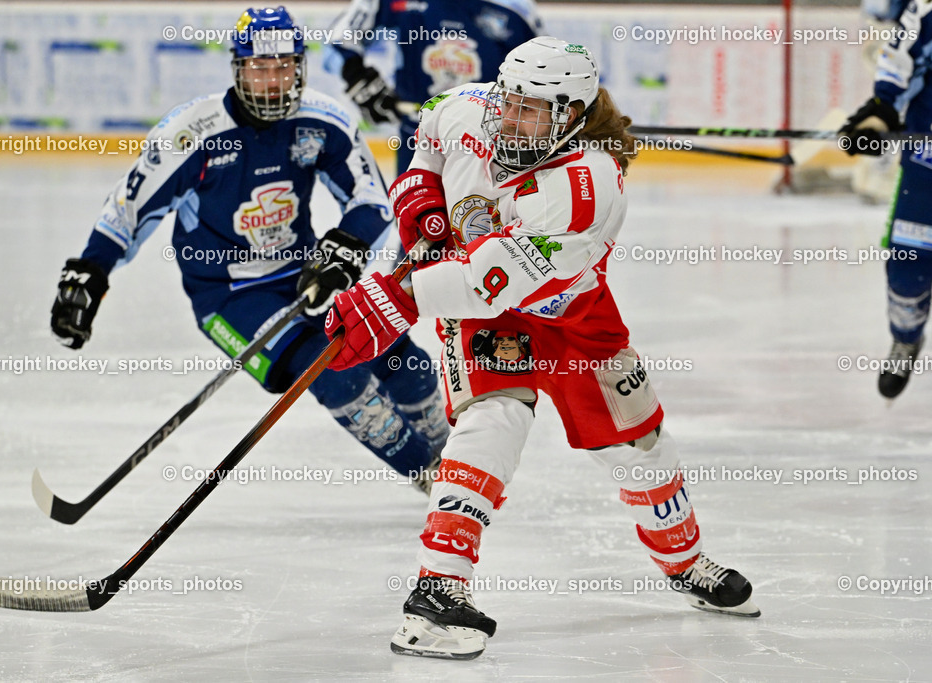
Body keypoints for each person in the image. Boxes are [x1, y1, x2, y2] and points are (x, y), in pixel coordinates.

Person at [324, 36, 760, 659]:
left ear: (572, 116)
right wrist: (421, 202)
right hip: (484, 310)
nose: (511, 119)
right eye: (510, 102)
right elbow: (428, 140)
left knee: (641, 449)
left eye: (532, 111)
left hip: (568, 315)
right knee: (493, 419)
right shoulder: (466, 107)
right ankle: (438, 590)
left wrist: (393, 299)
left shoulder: (589, 185)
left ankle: (685, 561)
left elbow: (487, 282)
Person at [49, 6, 448, 490]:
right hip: (230, 296)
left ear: (300, 67)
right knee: (337, 375)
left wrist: (346, 247)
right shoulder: (192, 134)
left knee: (405, 362)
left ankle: (453, 457)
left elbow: (372, 201)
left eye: (284, 67)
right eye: (260, 68)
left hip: (307, 275)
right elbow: (128, 210)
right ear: (238, 69)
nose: (274, 81)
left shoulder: (322, 121)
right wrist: (90, 273)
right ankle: (433, 477)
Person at [328, 0, 541, 175]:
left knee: (485, 213)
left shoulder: (516, 7)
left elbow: (543, 66)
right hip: (417, 137)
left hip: (490, 141)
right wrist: (357, 77)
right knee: (414, 211)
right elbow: (341, 37)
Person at [839, 1, 932, 400]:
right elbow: (899, 62)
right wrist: (878, 115)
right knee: (907, 273)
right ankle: (906, 338)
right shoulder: (925, 9)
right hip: (926, 169)